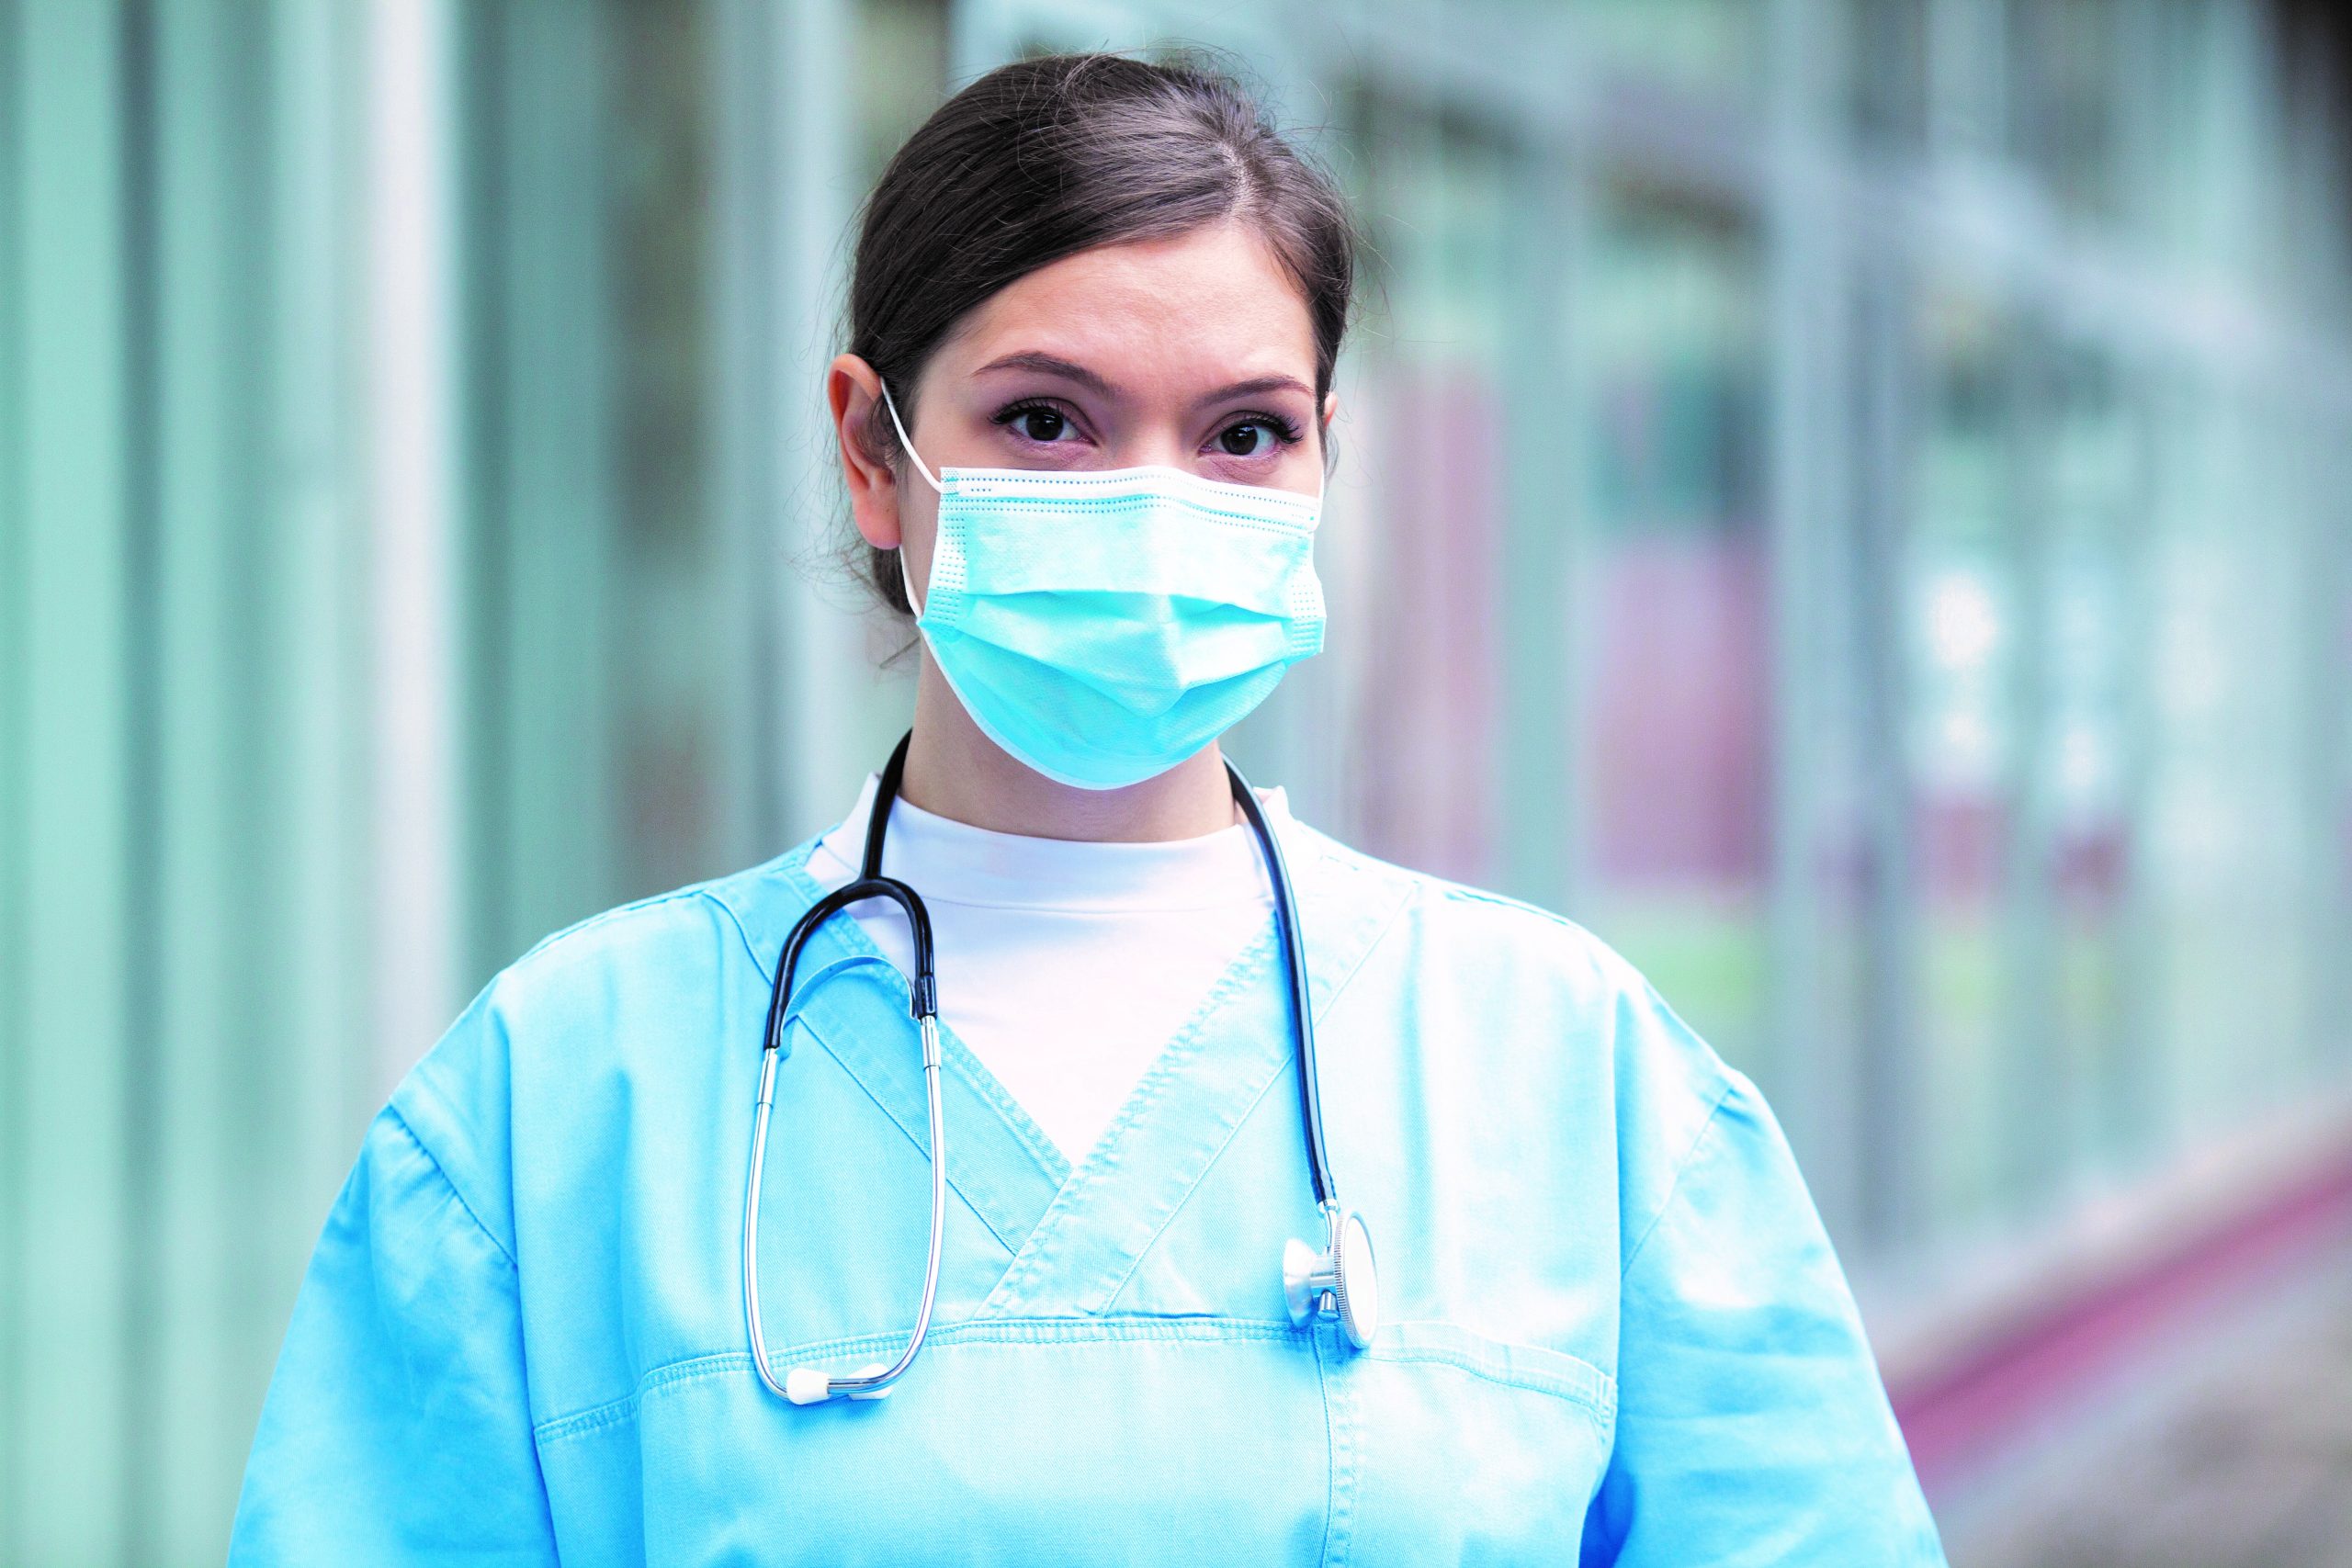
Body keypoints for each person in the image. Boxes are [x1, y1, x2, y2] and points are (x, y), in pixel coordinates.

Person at [230, 51, 1948, 1565]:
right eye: (1047, 421)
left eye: (1243, 436)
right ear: (871, 453)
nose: (1148, 505)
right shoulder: (563, 1097)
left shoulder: (1570, 1076)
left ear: (1329, 456)